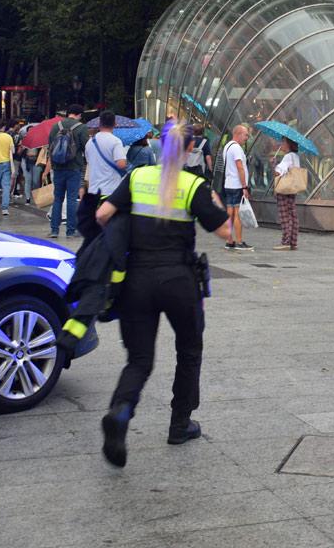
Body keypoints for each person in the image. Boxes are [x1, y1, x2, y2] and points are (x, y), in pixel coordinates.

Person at [93, 120, 231, 467]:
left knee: (139, 359)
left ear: (158, 146)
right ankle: (179, 424)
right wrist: (214, 202)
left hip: (136, 280)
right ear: (189, 150)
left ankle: (121, 411)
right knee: (189, 350)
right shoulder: (193, 184)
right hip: (179, 281)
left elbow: (103, 214)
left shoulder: (138, 178)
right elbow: (226, 232)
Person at [78, 110, 128, 245]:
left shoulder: (90, 142)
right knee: (111, 226)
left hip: (94, 190)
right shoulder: (116, 141)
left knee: (96, 226)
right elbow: (121, 164)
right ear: (115, 124)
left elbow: (89, 162)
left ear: (99, 123)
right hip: (111, 191)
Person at [47, 104, 88, 238]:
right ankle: (70, 231)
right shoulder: (81, 127)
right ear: (79, 115)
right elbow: (86, 147)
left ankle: (54, 230)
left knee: (57, 198)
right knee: (71, 198)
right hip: (74, 167)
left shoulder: (55, 127)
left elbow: (50, 147)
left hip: (58, 167)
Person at [221, 124, 252, 251]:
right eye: (246, 135)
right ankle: (239, 241)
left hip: (228, 184)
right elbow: (239, 167)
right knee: (238, 213)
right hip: (237, 185)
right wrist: (244, 186)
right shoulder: (237, 148)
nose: (247, 138)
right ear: (238, 134)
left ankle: (229, 240)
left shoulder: (227, 146)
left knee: (230, 213)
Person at [273, 137, 301, 251]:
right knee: (293, 215)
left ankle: (285, 242)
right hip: (292, 188)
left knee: (285, 216)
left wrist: (274, 163)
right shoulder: (296, 157)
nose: (281, 144)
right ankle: (293, 242)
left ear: (289, 144)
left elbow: (277, 172)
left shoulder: (287, 157)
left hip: (284, 189)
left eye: (283, 142)